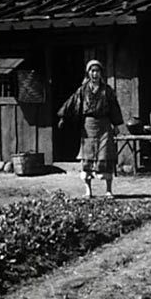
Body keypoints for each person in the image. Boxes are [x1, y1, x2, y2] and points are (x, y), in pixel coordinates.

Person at [57, 59, 124, 198]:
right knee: (87, 158)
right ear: (88, 73)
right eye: (92, 71)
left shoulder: (107, 90)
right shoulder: (82, 90)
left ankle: (109, 190)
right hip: (88, 127)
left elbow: (114, 107)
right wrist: (63, 117)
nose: (95, 74)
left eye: (97, 71)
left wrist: (116, 125)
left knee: (105, 157)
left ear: (101, 73)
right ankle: (88, 191)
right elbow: (71, 102)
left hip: (104, 126)